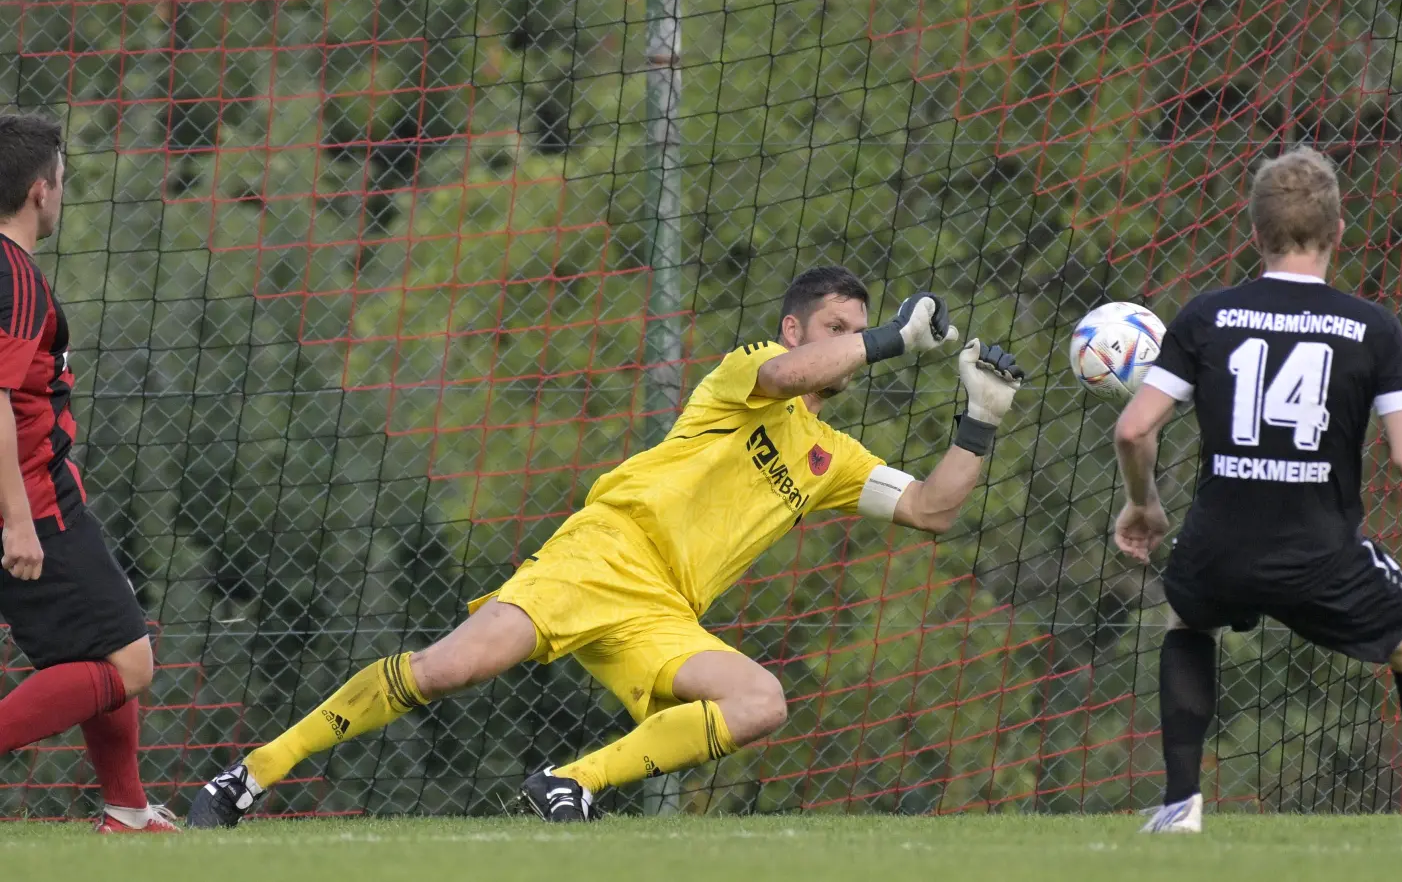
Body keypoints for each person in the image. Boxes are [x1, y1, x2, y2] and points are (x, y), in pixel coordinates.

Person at [188, 266, 1025, 826]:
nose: (851, 340)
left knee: (760, 701)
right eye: (837, 327)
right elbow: (784, 380)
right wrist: (891, 340)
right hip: (602, 554)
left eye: (860, 329)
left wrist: (980, 417)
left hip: (662, 612)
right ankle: (254, 773)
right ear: (793, 329)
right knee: (448, 669)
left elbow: (929, 508)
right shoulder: (752, 369)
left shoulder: (829, 456)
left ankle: (569, 785)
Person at [1111, 146, 1402, 832]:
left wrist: (1145, 503)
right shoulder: (1371, 327)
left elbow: (1134, 430)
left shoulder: (1207, 316)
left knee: (1188, 619)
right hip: (1320, 555)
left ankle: (1180, 806)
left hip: (1219, 546)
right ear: (1338, 230)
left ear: (1254, 231)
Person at [0, 113, 177, 833]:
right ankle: (127, 811)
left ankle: (128, 812)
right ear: (42, 192)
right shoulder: (17, 279)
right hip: (31, 500)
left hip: (44, 491)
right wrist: (18, 519)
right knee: (130, 665)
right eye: (64, 182)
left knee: (106, 641)